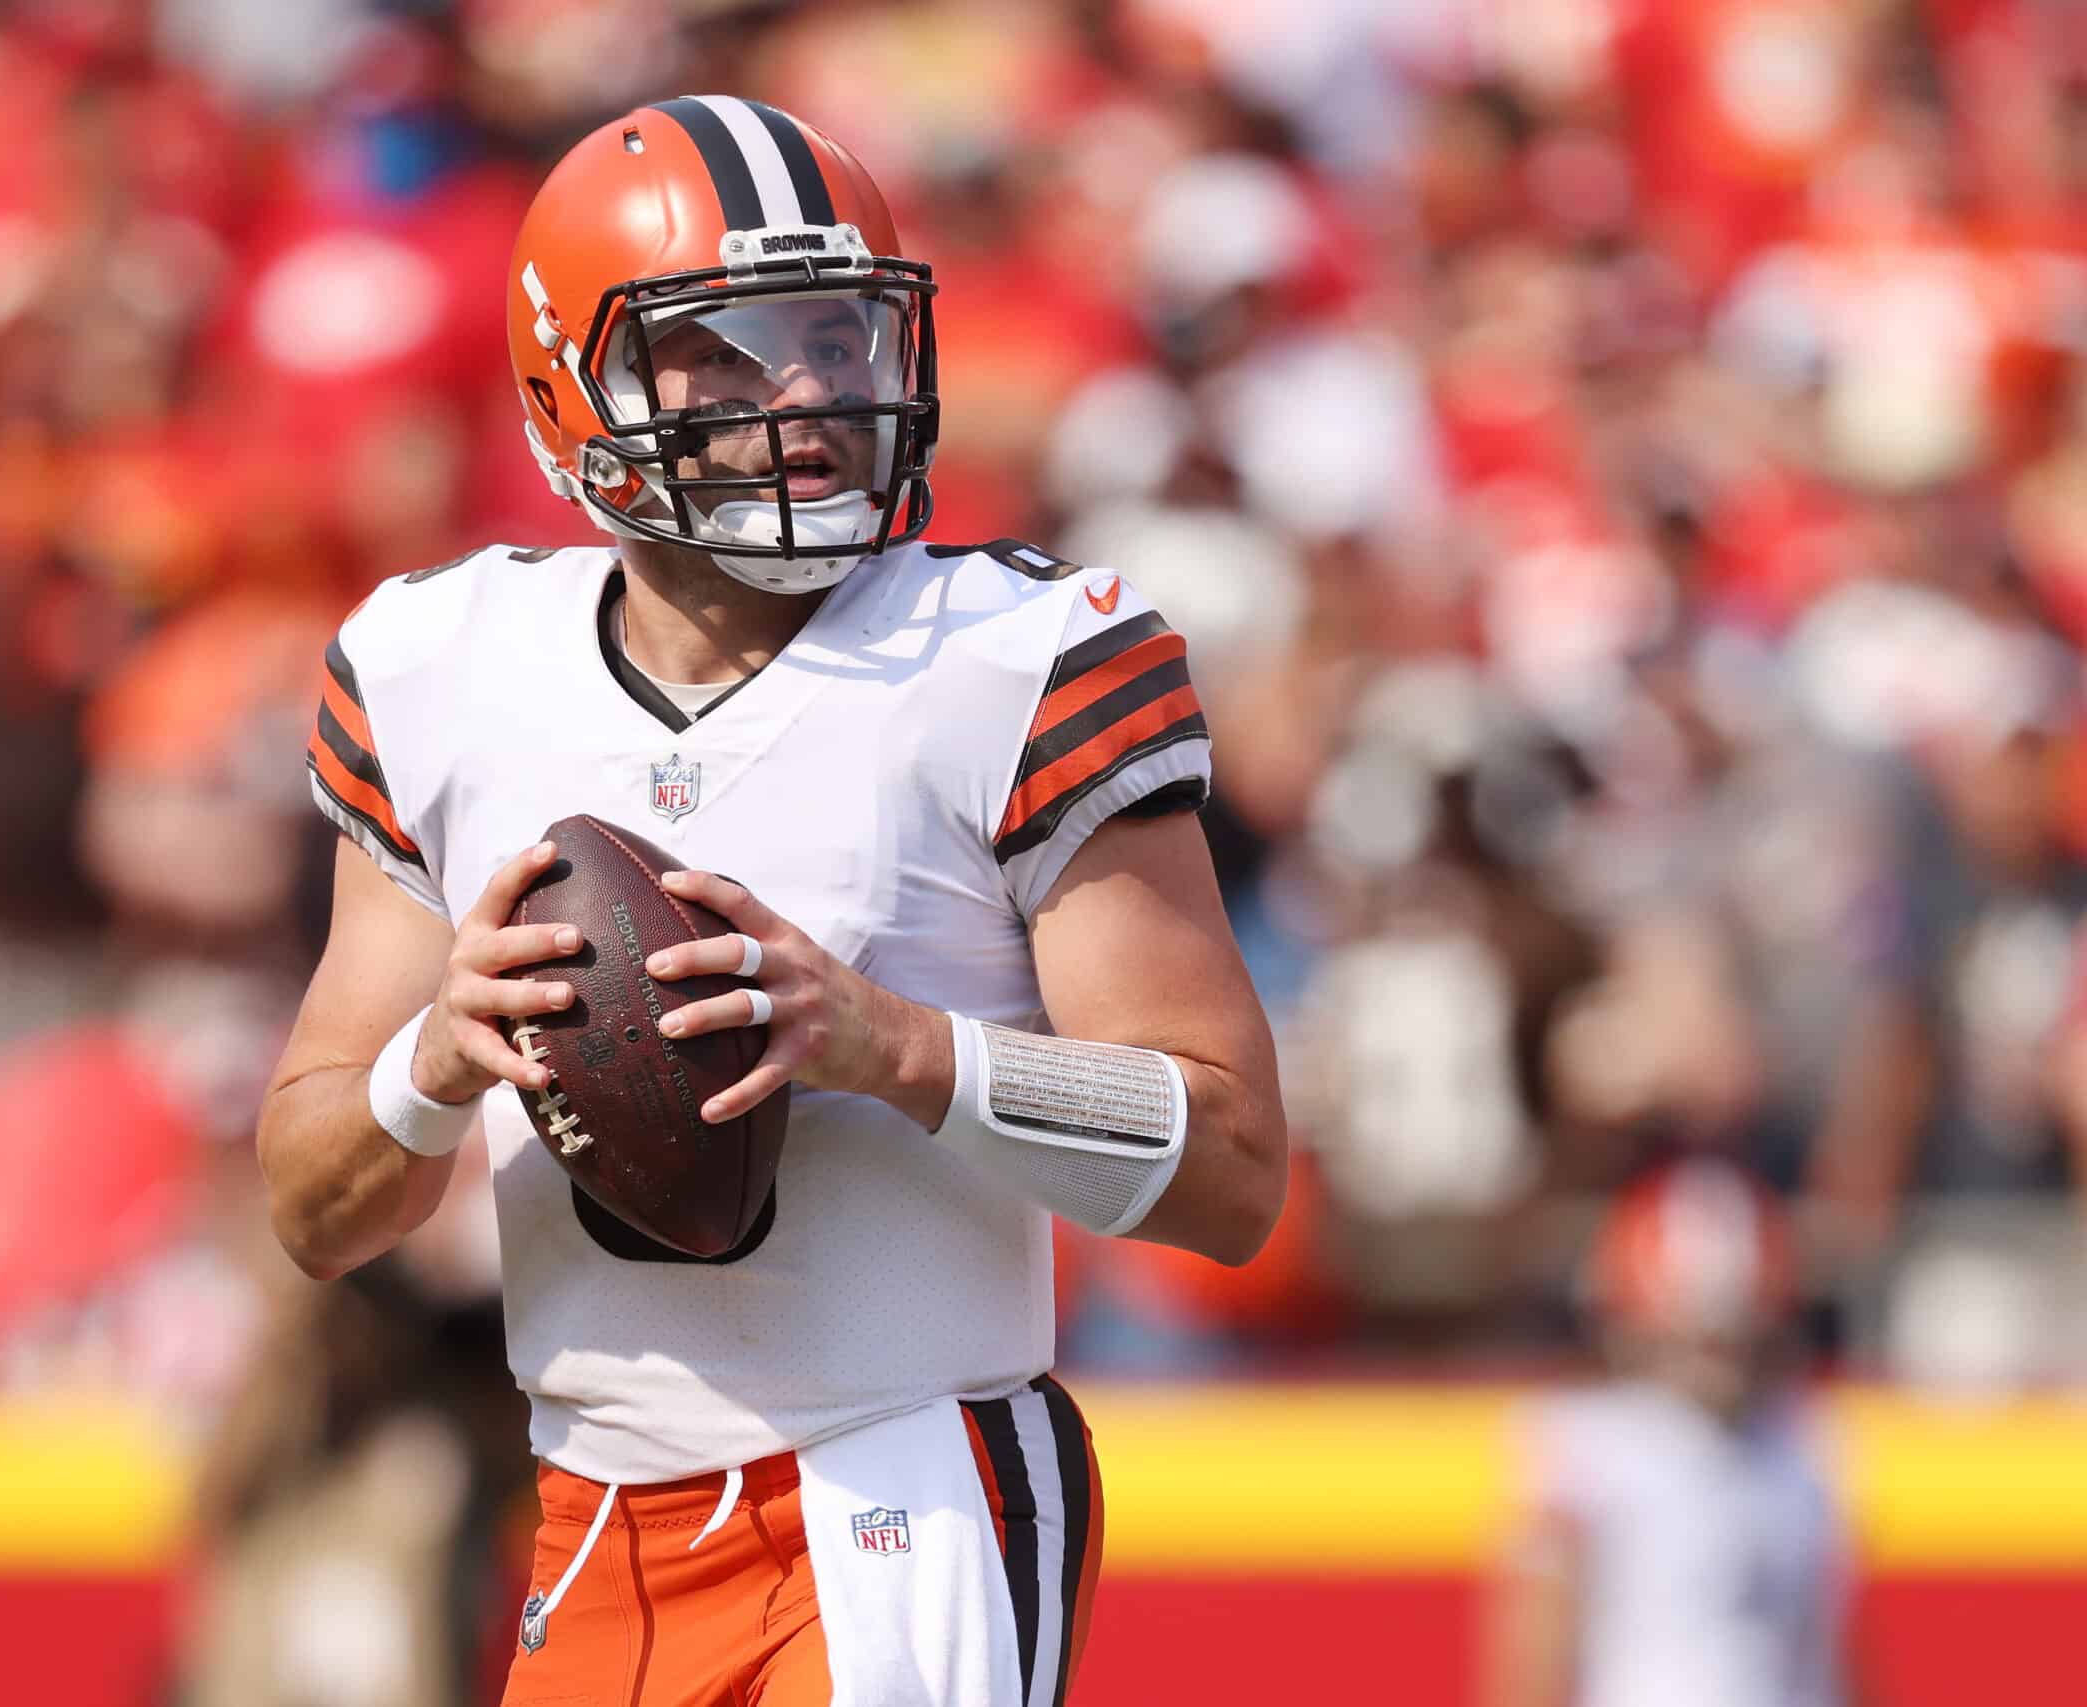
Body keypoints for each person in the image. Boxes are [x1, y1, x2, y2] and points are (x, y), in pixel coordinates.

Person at [257, 95, 1287, 1707]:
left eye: (835, 334)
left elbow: (1230, 1168)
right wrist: (436, 1059)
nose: (805, 392)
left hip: (907, 1486)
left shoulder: (1012, 655)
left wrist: (896, 1046)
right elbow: (317, 1207)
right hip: (589, 1514)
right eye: (728, 352)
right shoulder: (433, 667)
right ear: (571, 387)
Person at [1483, 1157, 1865, 1707]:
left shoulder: (1804, 1441)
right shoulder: (1586, 1443)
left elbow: (1829, 1653)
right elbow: (1538, 1655)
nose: (1718, 1355)